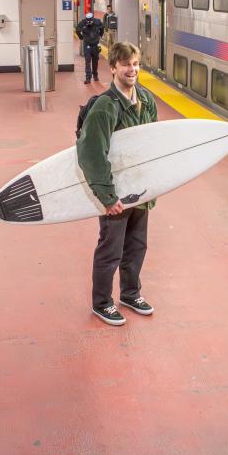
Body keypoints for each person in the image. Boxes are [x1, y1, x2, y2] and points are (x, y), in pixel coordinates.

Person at [76, 42, 158, 326]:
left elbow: (152, 144)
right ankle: (102, 303)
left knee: (136, 246)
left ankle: (130, 294)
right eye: (125, 64)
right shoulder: (104, 107)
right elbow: (91, 155)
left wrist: (154, 185)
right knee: (111, 250)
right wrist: (108, 198)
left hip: (141, 192)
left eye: (135, 64)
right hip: (116, 194)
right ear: (113, 68)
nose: (132, 69)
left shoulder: (146, 99)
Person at [75, 10, 105, 83]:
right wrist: (81, 37)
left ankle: (95, 75)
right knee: (87, 61)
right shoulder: (83, 22)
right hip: (87, 45)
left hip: (95, 45)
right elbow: (77, 30)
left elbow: (102, 28)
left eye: (90, 21)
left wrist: (100, 35)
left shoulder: (98, 22)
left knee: (95, 61)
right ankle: (88, 77)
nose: (89, 23)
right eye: (88, 21)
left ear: (93, 19)